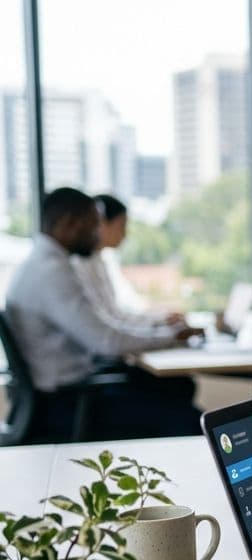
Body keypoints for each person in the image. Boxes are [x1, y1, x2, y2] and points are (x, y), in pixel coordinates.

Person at [5, 187, 204, 440]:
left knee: (177, 387)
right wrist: (173, 337)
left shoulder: (40, 265)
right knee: (189, 420)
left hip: (68, 395)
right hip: (67, 405)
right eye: (92, 226)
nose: (97, 235)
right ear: (69, 224)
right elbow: (106, 341)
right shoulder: (51, 272)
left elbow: (105, 326)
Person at [71, 194, 186, 333]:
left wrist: (160, 319)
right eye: (121, 226)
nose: (125, 234)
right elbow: (107, 323)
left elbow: (116, 314)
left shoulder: (101, 261)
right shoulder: (78, 264)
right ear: (101, 223)